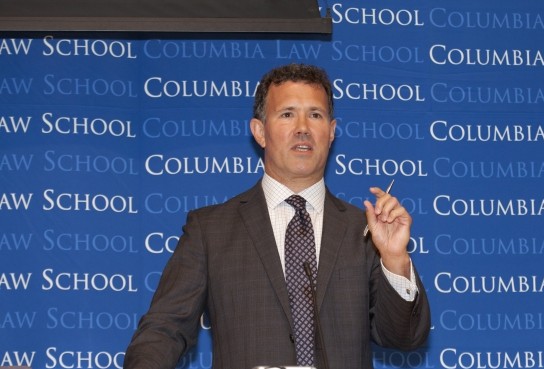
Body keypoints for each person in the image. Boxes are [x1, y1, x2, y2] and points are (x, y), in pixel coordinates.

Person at [124, 63, 430, 369]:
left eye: (315, 115)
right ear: (260, 132)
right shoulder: (210, 230)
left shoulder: (365, 231)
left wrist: (394, 260)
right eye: (287, 114)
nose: (303, 128)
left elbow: (404, 338)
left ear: (332, 132)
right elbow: (164, 329)